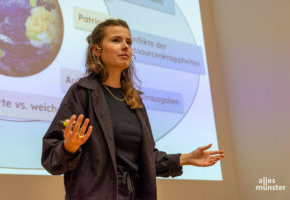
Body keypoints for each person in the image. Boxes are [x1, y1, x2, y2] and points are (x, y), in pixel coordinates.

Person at [41, 19, 225, 200]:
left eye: (128, 42)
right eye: (116, 40)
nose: (125, 46)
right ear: (96, 50)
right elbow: (52, 159)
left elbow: (146, 159)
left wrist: (186, 158)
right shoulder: (82, 92)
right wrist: (69, 146)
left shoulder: (134, 100)